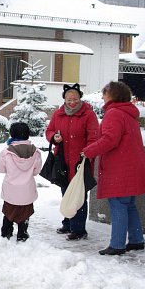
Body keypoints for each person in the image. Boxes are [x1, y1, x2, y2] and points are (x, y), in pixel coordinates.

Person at [81, 81, 145, 256]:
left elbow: (109, 140)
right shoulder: (128, 113)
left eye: (105, 93)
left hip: (121, 168)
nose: (102, 97)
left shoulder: (114, 113)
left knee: (118, 204)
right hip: (133, 165)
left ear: (113, 95)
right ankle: (136, 240)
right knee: (128, 204)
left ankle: (117, 245)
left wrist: (88, 151)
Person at [45, 83, 99, 240]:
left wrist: (88, 152)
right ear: (64, 99)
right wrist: (54, 137)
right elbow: (49, 131)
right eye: (69, 99)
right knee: (65, 191)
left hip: (80, 161)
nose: (72, 102)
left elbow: (94, 136)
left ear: (80, 98)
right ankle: (68, 223)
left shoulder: (88, 115)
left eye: (75, 99)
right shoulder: (58, 114)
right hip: (62, 160)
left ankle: (79, 229)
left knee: (79, 194)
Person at [0, 122, 42, 241]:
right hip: (27, 190)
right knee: (24, 214)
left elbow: (0, 169)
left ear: (12, 134)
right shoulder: (36, 152)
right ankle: (22, 234)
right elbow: (36, 171)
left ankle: (6, 233)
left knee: (8, 213)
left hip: (11, 190)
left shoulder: (6, 152)